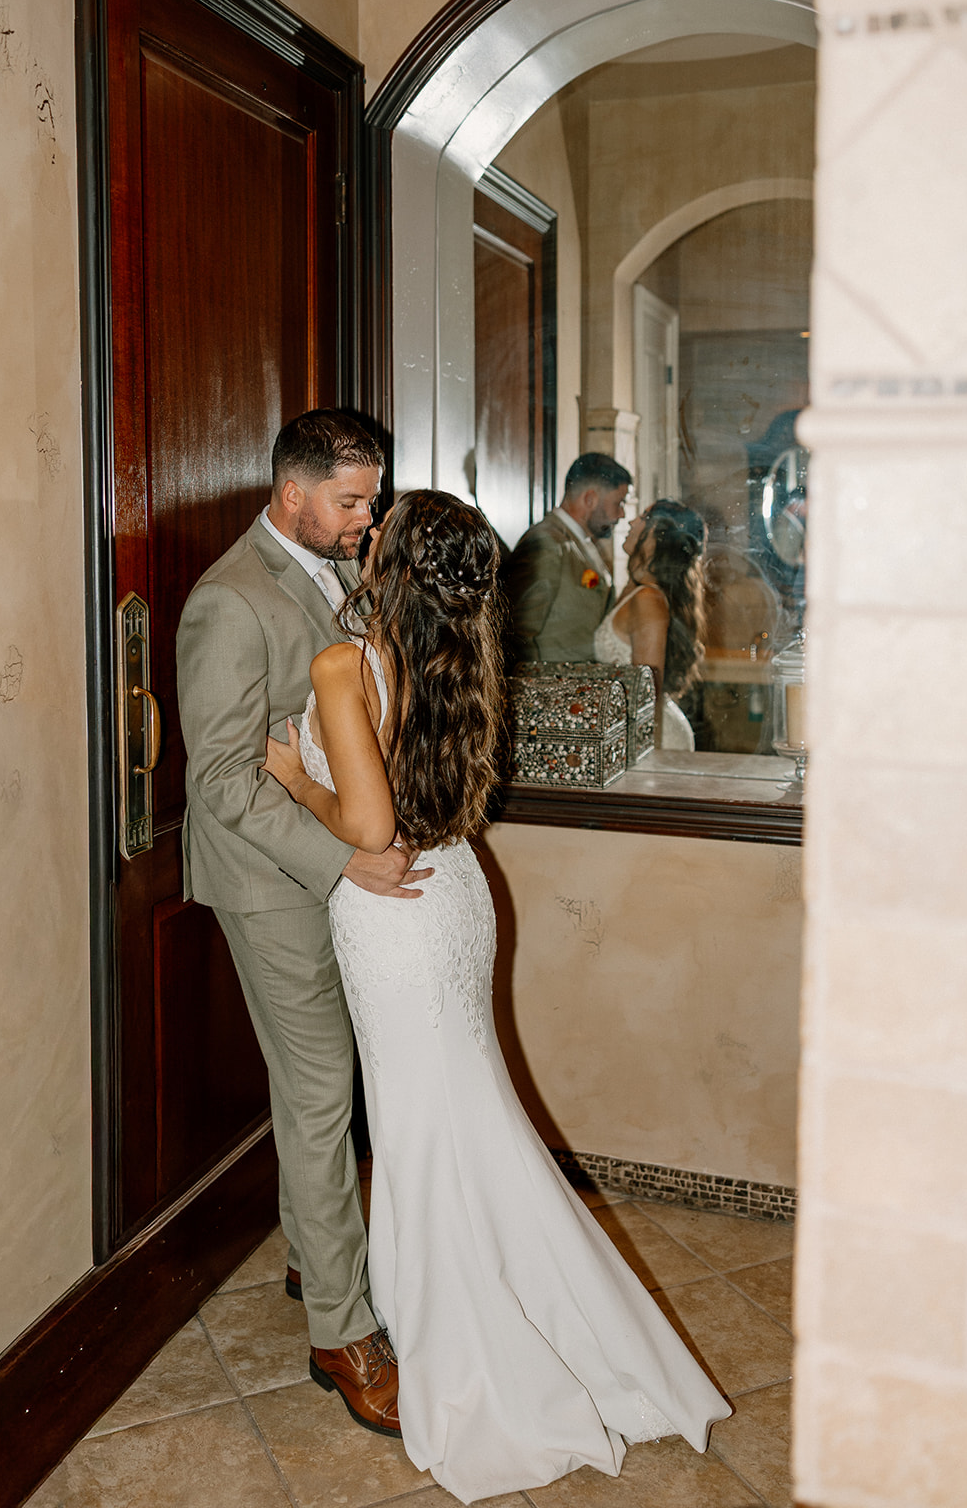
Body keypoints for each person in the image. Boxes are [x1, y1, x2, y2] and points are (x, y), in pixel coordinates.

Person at [262, 489, 731, 1503]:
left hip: (397, 913)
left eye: (377, 527)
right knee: (467, 1115)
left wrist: (293, 781)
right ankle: (546, 1314)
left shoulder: (347, 667)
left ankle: (470, 1335)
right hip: (459, 893)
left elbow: (370, 828)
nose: (365, 527)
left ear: (388, 561)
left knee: (424, 1127)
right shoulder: (458, 653)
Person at [176, 409, 432, 1440]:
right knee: (321, 1090)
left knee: (328, 1081)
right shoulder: (224, 603)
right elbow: (221, 784)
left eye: (370, 497)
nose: (367, 518)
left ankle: (305, 1251)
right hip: (272, 883)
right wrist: (345, 861)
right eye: (351, 499)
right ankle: (340, 1329)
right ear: (291, 493)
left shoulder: (333, 564)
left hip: (331, 861)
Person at [593, 498, 707, 751]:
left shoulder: (648, 600)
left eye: (642, 517)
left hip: (653, 739)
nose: (631, 521)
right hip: (632, 730)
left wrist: (641, 754)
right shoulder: (637, 588)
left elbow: (647, 693)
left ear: (656, 533)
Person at [503, 453, 632, 662]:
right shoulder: (547, 543)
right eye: (618, 503)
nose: (621, 514)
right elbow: (518, 632)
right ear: (590, 499)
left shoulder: (584, 543)